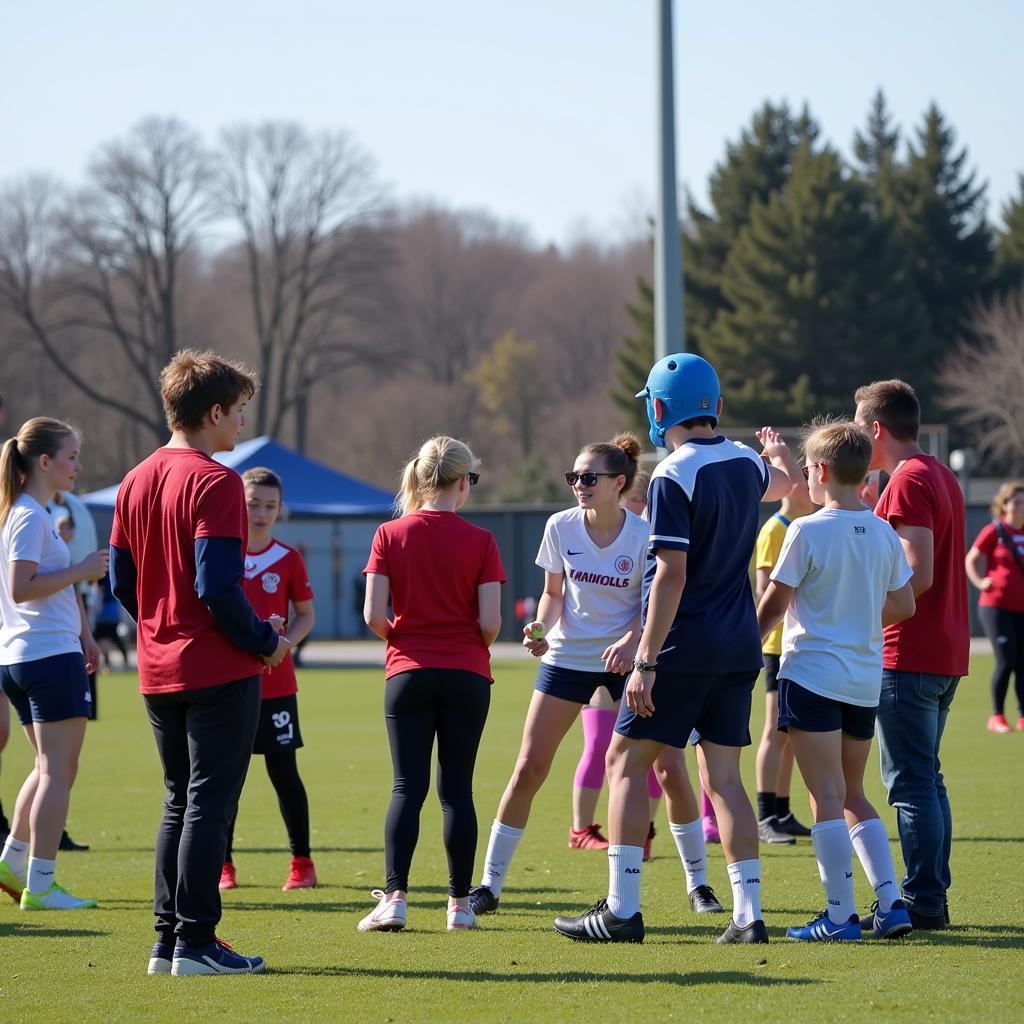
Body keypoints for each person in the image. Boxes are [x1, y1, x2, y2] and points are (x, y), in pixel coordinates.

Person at [553, 353, 801, 946]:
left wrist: (644, 659)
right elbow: (787, 485)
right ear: (714, 406)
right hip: (740, 644)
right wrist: (778, 455)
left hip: (684, 648)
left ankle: (622, 910)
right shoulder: (744, 462)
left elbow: (669, 574)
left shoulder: (671, 474)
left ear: (659, 410)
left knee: (624, 763)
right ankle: (748, 915)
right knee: (725, 781)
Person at [110, 349, 291, 976]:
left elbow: (121, 583)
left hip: (157, 667)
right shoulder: (215, 481)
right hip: (214, 669)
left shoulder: (134, 478)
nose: (241, 424)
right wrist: (265, 641)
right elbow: (218, 586)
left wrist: (161, 626)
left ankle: (167, 942)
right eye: (238, 413)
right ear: (213, 412)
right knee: (209, 805)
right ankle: (197, 942)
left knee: (178, 801)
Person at [756, 421, 917, 941]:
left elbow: (774, 606)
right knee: (853, 793)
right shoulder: (883, 531)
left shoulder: (805, 530)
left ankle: (841, 915)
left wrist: (741, 649)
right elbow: (905, 604)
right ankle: (891, 904)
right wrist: (858, 614)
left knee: (824, 795)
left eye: (806, 470)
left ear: (820, 472)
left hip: (811, 675)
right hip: (863, 678)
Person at [359, 436, 504, 933]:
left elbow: (373, 614)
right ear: (463, 482)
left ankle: (395, 898)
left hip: (408, 672)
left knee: (407, 787)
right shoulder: (481, 541)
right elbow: (490, 623)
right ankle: (460, 907)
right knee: (456, 791)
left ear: (421, 479)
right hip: (467, 673)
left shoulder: (389, 534)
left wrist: (406, 637)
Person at [853, 379, 969, 931]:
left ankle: (924, 899)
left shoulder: (908, 480)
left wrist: (858, 619)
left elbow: (916, 574)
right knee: (927, 777)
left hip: (909, 651)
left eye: (858, 423)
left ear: (876, 428)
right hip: (943, 649)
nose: (854, 433)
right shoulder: (939, 472)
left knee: (911, 782)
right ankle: (932, 894)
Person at [0, 418, 106, 910]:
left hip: (32, 655)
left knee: (48, 768)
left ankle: (13, 862)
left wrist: (85, 634)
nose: (77, 466)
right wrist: (82, 569)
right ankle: (40, 885)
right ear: (43, 462)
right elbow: (23, 589)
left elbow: (47, 586)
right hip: (43, 656)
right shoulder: (29, 516)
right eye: (70, 457)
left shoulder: (30, 512)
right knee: (58, 771)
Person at [220, 467, 317, 892]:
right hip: (227, 683)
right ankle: (223, 865)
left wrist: (283, 644)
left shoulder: (288, 557)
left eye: (269, 506)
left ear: (281, 510)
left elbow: (306, 614)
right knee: (225, 776)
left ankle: (302, 863)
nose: (260, 513)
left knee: (284, 773)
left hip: (276, 686)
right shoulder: (221, 554)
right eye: (252, 504)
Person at [567, 468, 667, 862]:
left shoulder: (650, 539)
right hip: (598, 657)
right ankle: (582, 828)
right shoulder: (583, 529)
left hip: (643, 658)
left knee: (653, 755)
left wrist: (638, 640)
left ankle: (643, 832)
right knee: (598, 744)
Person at [753, 478, 817, 845]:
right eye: (805, 483)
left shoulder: (803, 527)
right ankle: (765, 817)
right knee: (773, 732)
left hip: (797, 642)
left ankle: (782, 809)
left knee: (790, 734)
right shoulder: (774, 529)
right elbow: (765, 590)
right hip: (776, 643)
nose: (811, 489)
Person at [965, 480, 1024, 733]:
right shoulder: (995, 530)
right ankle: (997, 716)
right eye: (1017, 502)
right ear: (1005, 505)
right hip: (996, 607)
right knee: (1006, 661)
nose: (1021, 507)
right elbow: (971, 559)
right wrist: (980, 581)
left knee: (1023, 663)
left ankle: (1022, 716)